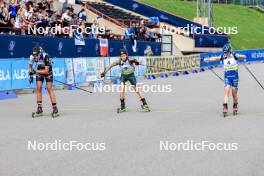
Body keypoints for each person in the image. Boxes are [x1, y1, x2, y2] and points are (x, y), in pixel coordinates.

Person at [204, 43, 246, 117]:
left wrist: (240, 56)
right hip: (227, 77)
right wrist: (207, 59)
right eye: (225, 53)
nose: (225, 54)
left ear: (230, 51)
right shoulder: (223, 57)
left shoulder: (234, 56)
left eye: (226, 52)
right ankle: (225, 106)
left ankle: (235, 105)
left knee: (234, 94)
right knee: (226, 92)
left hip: (235, 78)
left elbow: (244, 56)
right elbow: (215, 58)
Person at [29, 47, 59, 118]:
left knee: (49, 88)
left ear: (40, 53)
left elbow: (46, 71)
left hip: (48, 71)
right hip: (39, 70)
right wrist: (30, 75)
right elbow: (30, 66)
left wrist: (35, 71)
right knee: (38, 88)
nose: (35, 57)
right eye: (34, 56)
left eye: (36, 55)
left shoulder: (46, 56)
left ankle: (55, 109)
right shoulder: (32, 57)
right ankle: (39, 109)